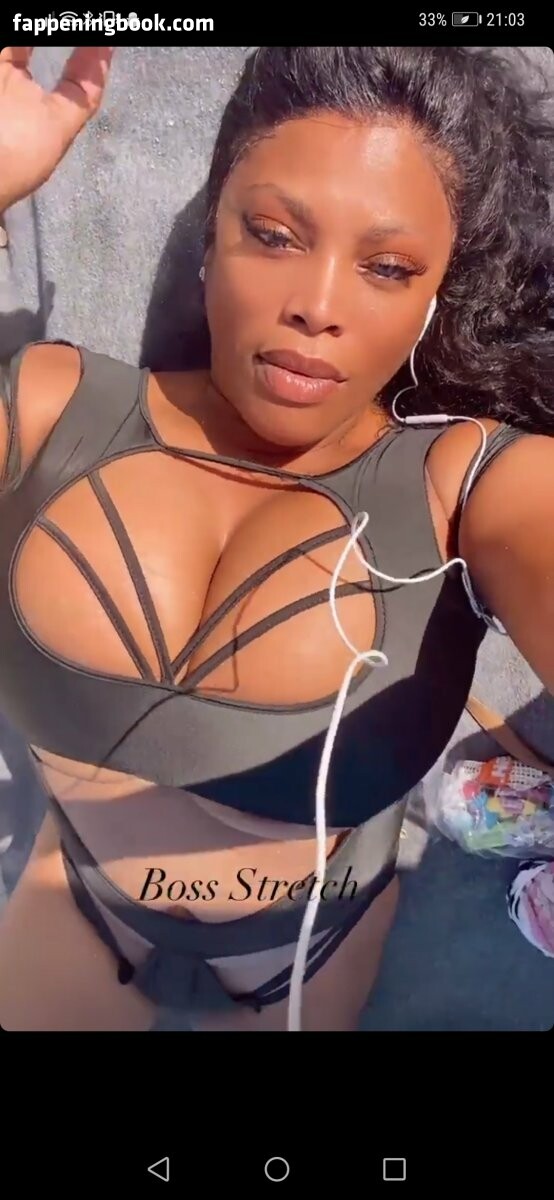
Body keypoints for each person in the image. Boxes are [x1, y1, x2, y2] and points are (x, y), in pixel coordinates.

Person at [0, 45, 553, 1033]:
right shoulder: (51, 410)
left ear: (432, 297)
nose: (319, 306)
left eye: (387, 268)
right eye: (273, 234)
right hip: (75, 893)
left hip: (308, 942)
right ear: (211, 234)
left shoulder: (468, 487)